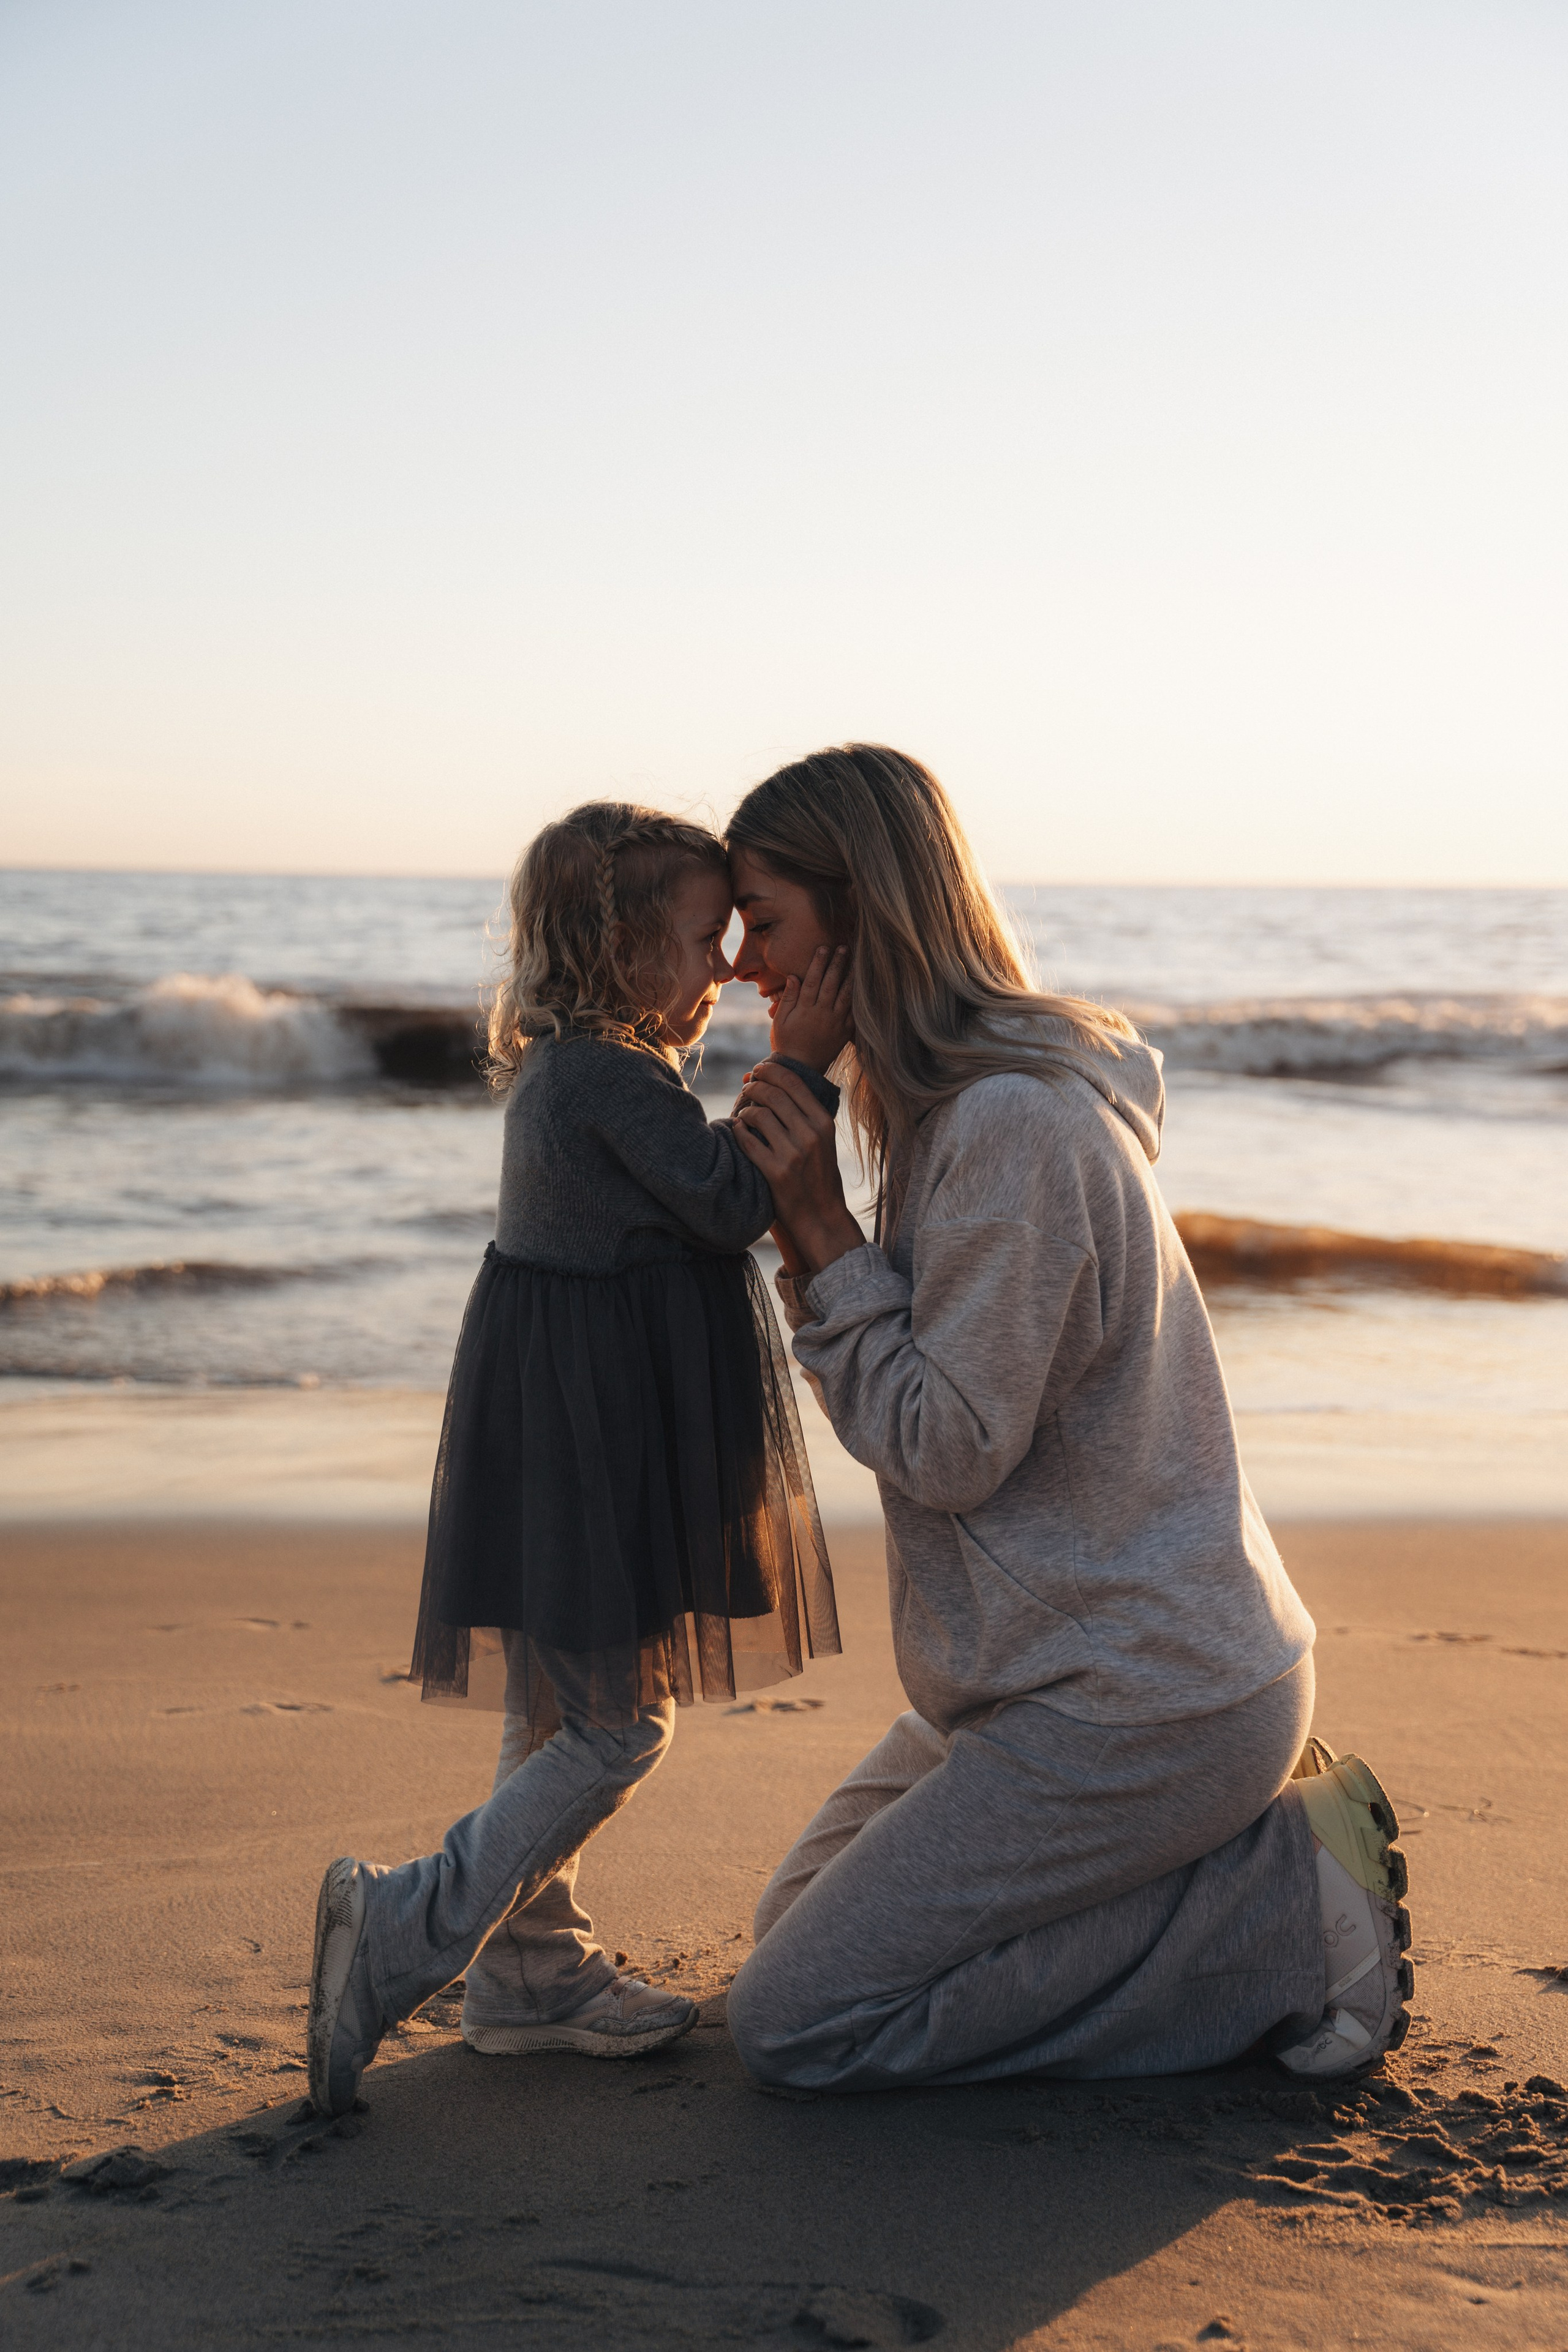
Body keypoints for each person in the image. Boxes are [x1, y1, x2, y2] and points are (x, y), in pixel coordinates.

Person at [723, 742, 1414, 2092]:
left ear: (859, 914)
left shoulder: (1007, 1132)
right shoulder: (954, 1113)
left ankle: (1281, 1909)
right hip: (1051, 1674)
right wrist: (827, 1237)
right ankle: (1224, 1868)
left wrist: (817, 1234)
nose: (743, 963)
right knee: (788, 1938)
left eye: (766, 920)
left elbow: (947, 1448)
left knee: (795, 2024)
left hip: (1137, 1695)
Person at [307, 802, 846, 2120]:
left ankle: (531, 1972)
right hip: (590, 1437)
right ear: (616, 946)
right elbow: (726, 1202)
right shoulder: (602, 1076)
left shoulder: (580, 1066)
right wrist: (807, 1063)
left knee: (548, 1713)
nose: (722, 966)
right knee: (617, 1727)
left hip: (574, 1427)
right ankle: (402, 1931)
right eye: (701, 938)